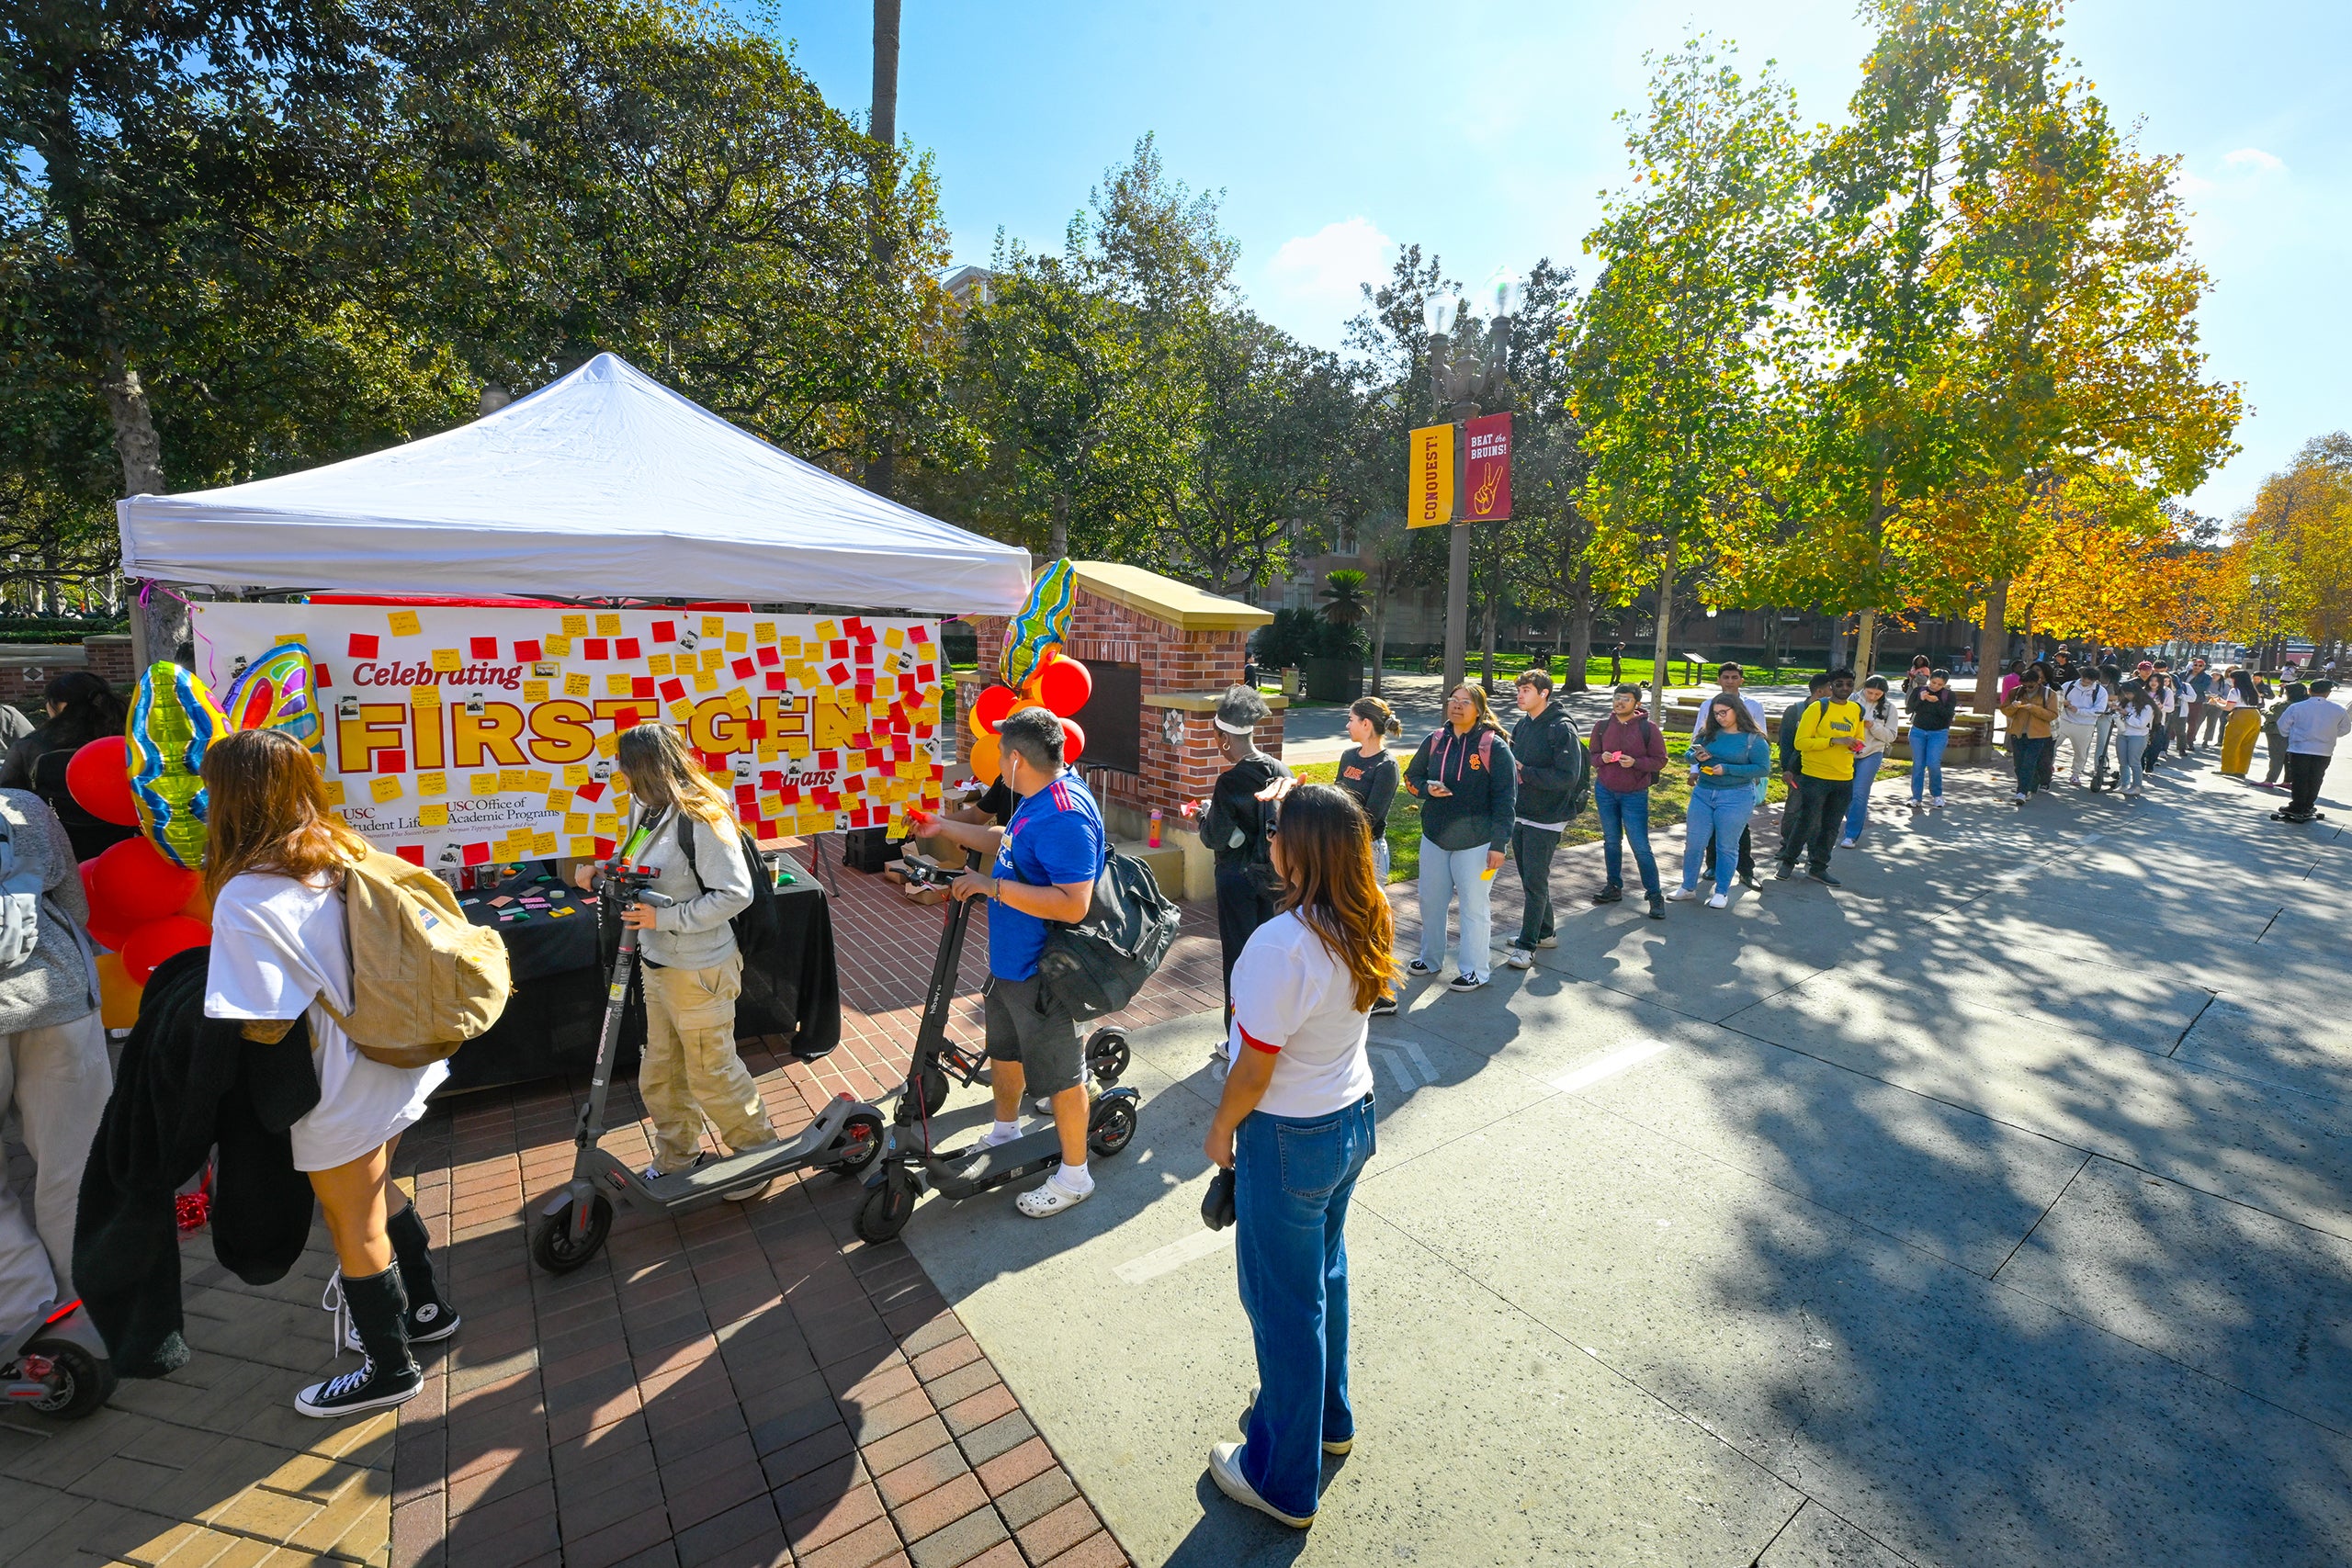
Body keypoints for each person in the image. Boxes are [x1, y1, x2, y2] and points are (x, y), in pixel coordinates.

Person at [201, 728, 461, 1416]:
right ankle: (426, 1307)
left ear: (229, 798)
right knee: (376, 1192)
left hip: (334, 1080)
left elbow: (260, 1012)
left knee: (353, 1223)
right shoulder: (346, 853)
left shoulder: (245, 894)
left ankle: (390, 1367)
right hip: (398, 1061)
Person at [1202, 784, 1389, 1530]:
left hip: (1288, 1137)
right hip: (1350, 1119)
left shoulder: (1281, 944)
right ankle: (1327, 1418)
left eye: (1278, 828)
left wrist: (1221, 1130)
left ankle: (1281, 1477)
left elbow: (1253, 1068)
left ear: (1296, 850)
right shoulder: (1364, 913)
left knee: (1283, 1307)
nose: (1269, 837)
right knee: (1323, 1281)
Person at [571, 725, 780, 1197]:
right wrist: (607, 873)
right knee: (661, 1069)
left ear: (643, 766)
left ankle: (757, 1157)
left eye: (624, 762)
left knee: (712, 1071)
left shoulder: (702, 815)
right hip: (659, 962)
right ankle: (677, 1155)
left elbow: (735, 893)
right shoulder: (644, 805)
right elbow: (645, 869)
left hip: (700, 967)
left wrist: (665, 918)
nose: (617, 771)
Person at [918, 706, 1108, 1215]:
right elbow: (1008, 843)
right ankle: (1006, 1132)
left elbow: (1074, 902)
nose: (996, 763)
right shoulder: (1036, 796)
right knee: (1005, 1052)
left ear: (1017, 757)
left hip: (1045, 971)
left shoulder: (1065, 813)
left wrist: (990, 886)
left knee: (1063, 1078)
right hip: (1011, 963)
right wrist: (948, 828)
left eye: (1000, 754)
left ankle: (1075, 1176)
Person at [0, 789, 108, 1391]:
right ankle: (85, 1309)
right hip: (57, 998)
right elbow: (74, 902)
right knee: (75, 1167)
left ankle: (23, 1307)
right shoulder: (25, 807)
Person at [1403, 684, 1517, 990]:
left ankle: (1475, 971)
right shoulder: (1435, 740)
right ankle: (1430, 959)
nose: (1456, 706)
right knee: (1430, 901)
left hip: (1477, 844)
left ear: (1478, 710)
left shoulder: (1494, 746)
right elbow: (1410, 778)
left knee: (1474, 907)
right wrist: (1427, 789)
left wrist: (1499, 845)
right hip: (1435, 837)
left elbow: (1506, 798)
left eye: (1465, 702)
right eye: (1453, 700)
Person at [1197, 685, 1291, 1021]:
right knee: (1270, 953)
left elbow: (1215, 836)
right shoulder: (1281, 770)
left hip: (1237, 880)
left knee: (1238, 956)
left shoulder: (1230, 782)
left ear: (1224, 738)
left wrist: (1202, 815)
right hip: (1276, 877)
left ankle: (1237, 1032)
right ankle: (1270, 1024)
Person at [0, 671, 139, 863]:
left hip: (56, 851)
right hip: (130, 846)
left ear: (61, 705)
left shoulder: (32, 746)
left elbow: (9, 799)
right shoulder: (131, 736)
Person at [1502, 671, 1583, 971]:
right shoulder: (1522, 725)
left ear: (1544, 693)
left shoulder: (1562, 728)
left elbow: (1568, 776)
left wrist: (1527, 773)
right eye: (1519, 690)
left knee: (1534, 881)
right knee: (1530, 878)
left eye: (1526, 690)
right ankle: (1545, 933)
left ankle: (1527, 945)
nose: (1520, 695)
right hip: (1521, 811)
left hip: (1548, 816)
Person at [1668, 696, 1770, 908]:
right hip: (1703, 793)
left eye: (1724, 712)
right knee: (1694, 844)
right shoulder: (1709, 734)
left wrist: (1728, 769)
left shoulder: (1754, 740)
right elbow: (1689, 753)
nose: (1720, 717)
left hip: (1736, 795)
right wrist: (1697, 757)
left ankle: (1721, 892)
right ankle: (1687, 887)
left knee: (1726, 846)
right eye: (1716, 713)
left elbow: (1762, 769)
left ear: (1738, 711)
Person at [1585, 684, 1667, 919]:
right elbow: (1592, 756)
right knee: (1611, 841)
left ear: (1637, 704)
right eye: (1617, 698)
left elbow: (1660, 760)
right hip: (1605, 791)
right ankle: (1613, 886)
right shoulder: (1602, 726)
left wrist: (1637, 763)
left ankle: (1654, 895)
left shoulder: (1648, 728)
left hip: (1634, 794)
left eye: (1626, 699)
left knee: (1640, 846)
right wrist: (1603, 758)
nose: (1620, 702)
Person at [1777, 669, 1861, 886]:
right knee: (1806, 821)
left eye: (1849, 684)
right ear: (1831, 686)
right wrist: (1833, 740)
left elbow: (1858, 738)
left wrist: (1856, 745)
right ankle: (1788, 861)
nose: (1845, 688)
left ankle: (1819, 867)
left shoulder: (1856, 709)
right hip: (1815, 776)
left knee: (1831, 826)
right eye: (1839, 684)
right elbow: (1801, 742)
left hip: (1843, 777)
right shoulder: (1818, 708)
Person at [1701, 663, 1768, 888]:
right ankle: (1713, 865)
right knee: (1711, 825)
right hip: (1710, 776)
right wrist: (1694, 770)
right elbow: (1698, 738)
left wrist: (1755, 775)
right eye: (1726, 677)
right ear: (1719, 680)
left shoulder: (1753, 705)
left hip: (1740, 779)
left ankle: (1746, 870)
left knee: (1740, 827)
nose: (1730, 681)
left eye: (1734, 677)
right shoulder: (1709, 706)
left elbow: (1760, 737)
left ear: (1742, 680)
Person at [1334, 697, 1402, 886]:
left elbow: (1369, 819)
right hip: (1340, 843)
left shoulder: (1386, 766)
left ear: (1365, 723)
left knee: (1368, 912)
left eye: (1351, 719)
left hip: (1368, 849)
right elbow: (1335, 797)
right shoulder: (1348, 756)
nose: (1347, 725)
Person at [2273, 679, 2350, 823]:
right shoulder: (2338, 709)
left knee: (2299, 778)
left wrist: (2291, 735)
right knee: (2316, 778)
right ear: (2328, 693)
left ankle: (2297, 805)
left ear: (2309, 690)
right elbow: (2346, 728)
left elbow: (2282, 725)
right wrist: (2331, 734)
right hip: (2324, 749)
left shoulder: (2297, 707)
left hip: (2300, 748)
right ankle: (2308, 805)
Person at [1839, 677, 1899, 847]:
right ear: (1864, 688)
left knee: (1860, 793)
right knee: (1844, 792)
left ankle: (1851, 834)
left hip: (1872, 753)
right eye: (1870, 692)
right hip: (1847, 753)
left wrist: (1873, 726)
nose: (1873, 696)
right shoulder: (1850, 701)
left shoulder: (1889, 708)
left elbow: (1891, 736)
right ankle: (1852, 819)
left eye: (1878, 694)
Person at [2001, 669, 2060, 802]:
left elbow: (2052, 715)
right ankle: (2027, 786)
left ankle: (2022, 792)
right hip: (2018, 733)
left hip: (2038, 735)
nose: (2027, 689)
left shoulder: (2049, 694)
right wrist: (2013, 707)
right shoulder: (2015, 692)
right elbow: (2005, 711)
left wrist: (2033, 708)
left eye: (2030, 686)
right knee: (2019, 764)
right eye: (2024, 686)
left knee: (2029, 762)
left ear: (2039, 681)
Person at [1906, 667, 1957, 809]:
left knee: (1933, 763)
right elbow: (1909, 709)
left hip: (1938, 733)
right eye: (1933, 682)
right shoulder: (1919, 691)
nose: (1935, 686)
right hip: (1918, 732)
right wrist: (1921, 700)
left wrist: (1937, 702)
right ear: (1929, 680)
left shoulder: (1949, 695)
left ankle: (1937, 795)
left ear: (1945, 684)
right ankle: (1916, 797)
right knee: (1918, 764)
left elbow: (1948, 715)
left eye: (1939, 684)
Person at [2055, 664, 2109, 787]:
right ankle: (2048, 767)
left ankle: (2075, 774)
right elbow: (2056, 699)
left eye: (2089, 681)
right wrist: (2063, 703)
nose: (2085, 682)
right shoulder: (2068, 685)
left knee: (2080, 752)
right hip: (2064, 721)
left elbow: (2099, 711)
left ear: (2095, 680)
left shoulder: (2100, 691)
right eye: (2083, 679)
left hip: (2085, 725)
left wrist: (2078, 711)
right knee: (2051, 745)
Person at [2217, 669, 2264, 777]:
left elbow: (2229, 707)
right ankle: (2241, 770)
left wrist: (2216, 704)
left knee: (2231, 743)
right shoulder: (2253, 690)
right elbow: (2244, 703)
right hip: (2255, 715)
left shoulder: (2235, 691)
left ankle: (2228, 769)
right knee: (2247, 744)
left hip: (2241, 716)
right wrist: (2223, 701)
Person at [2114, 682, 2157, 799]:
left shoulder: (2147, 706)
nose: (2127, 696)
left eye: (2129, 693)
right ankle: (2124, 784)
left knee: (2134, 761)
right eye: (2125, 694)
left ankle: (2137, 786)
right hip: (2122, 734)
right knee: (2122, 761)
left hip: (2138, 736)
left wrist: (2126, 715)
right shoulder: (2125, 702)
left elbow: (2141, 724)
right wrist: (2116, 710)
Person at [2260, 682, 2307, 790]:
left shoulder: (2286, 705)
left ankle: (2269, 780)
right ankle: (2287, 781)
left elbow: (2274, 718)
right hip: (2295, 733)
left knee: (2276, 756)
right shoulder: (2304, 704)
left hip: (2277, 733)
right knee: (2288, 758)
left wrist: (2263, 711)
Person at [2186, 657, 2218, 750]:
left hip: (2196, 701)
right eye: (2195, 665)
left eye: (2200, 666)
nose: (2197, 667)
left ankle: (2190, 741)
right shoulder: (2184, 674)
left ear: (2204, 667)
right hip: (2182, 701)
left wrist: (2186, 686)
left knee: (2193, 722)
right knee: (2179, 721)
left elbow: (2202, 687)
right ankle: (2177, 740)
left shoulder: (2206, 677)